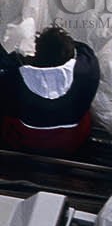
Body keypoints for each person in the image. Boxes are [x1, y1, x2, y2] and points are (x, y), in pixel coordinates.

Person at [0, 25, 99, 153]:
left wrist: (18, 57)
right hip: (73, 139)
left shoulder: (15, 78)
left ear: (35, 56)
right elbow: (83, 49)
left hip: (24, 140)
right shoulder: (86, 71)